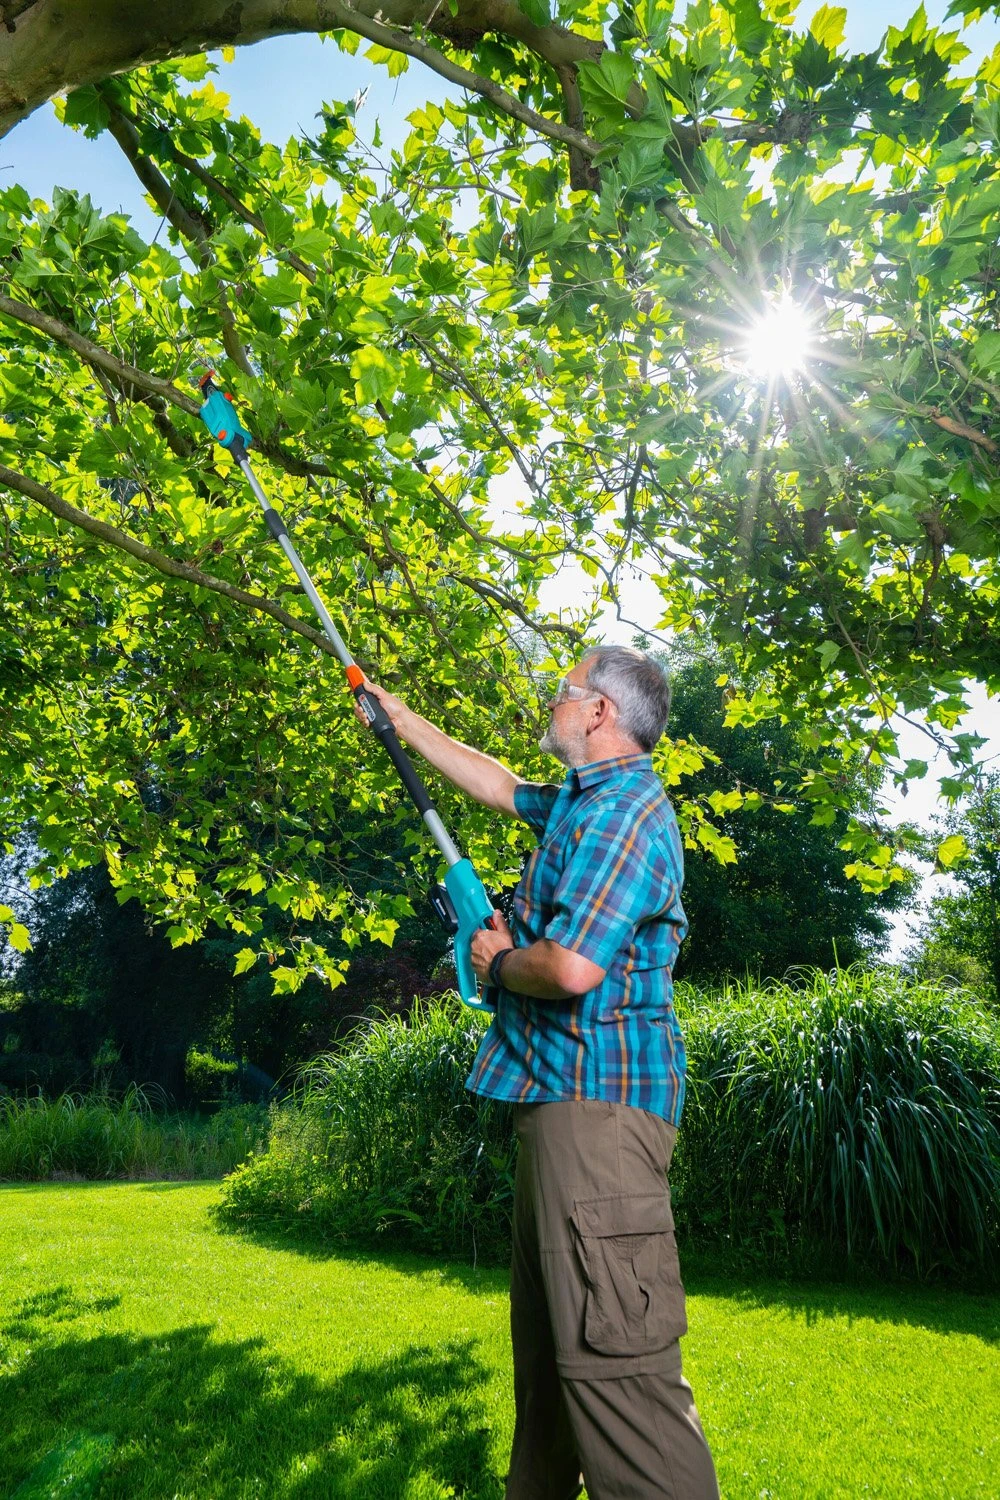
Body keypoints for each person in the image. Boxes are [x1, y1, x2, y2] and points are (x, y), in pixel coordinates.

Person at [353, 644, 719, 1500]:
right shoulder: (580, 808)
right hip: (560, 1112)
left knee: (619, 1380)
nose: (550, 704)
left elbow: (568, 969)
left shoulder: (624, 817)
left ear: (598, 713)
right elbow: (495, 784)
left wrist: (496, 960)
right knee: (552, 1369)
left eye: (563, 693)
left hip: (597, 1118)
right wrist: (401, 722)